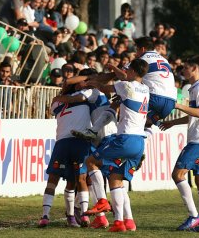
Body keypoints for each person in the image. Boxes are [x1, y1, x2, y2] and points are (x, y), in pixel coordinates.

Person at [83, 58, 149, 232]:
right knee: (116, 179)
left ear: (133, 71)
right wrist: (114, 68)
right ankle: (123, 222)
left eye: (128, 70)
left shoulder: (127, 86)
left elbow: (105, 88)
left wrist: (92, 82)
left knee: (91, 162)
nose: (126, 73)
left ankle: (102, 202)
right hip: (139, 142)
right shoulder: (146, 89)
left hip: (125, 139)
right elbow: (125, 82)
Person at [160, 55, 199, 232]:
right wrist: (174, 122)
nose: (183, 70)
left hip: (198, 140)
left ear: (195, 68)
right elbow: (196, 114)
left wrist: (177, 105)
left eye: (186, 67)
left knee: (177, 175)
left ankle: (194, 217)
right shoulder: (195, 88)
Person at [38, 82, 93, 227]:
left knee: (53, 180)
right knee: (80, 179)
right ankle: (84, 215)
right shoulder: (87, 96)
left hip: (61, 143)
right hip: (80, 141)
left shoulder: (57, 102)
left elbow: (53, 109)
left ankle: (46, 216)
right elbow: (81, 99)